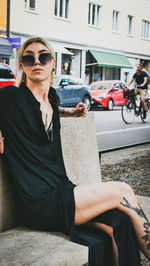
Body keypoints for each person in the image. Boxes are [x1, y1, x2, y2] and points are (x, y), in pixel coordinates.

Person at [0, 37, 149, 266]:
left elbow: (44, 112)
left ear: (52, 63)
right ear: (22, 65)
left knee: (120, 222)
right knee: (123, 190)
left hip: (62, 188)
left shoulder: (52, 97)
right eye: (29, 57)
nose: (37, 61)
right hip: (39, 202)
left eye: (44, 56)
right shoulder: (11, 97)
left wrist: (68, 112)